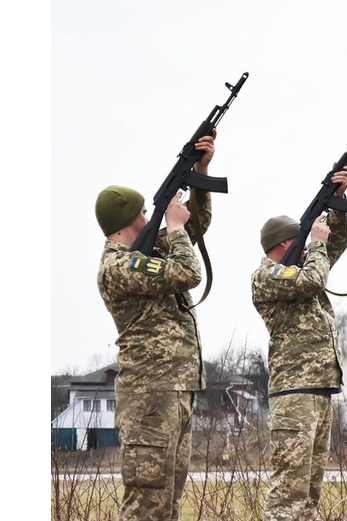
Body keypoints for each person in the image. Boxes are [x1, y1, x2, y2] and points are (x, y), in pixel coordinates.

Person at [94, 134, 216, 521]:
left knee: (167, 505)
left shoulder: (141, 255)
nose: (150, 219)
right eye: (145, 213)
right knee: (146, 507)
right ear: (129, 220)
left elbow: (197, 226)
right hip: (150, 397)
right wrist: (176, 229)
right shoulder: (120, 267)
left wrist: (200, 172)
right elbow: (187, 270)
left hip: (174, 390)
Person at [251, 165, 347, 521]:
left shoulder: (301, 268)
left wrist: (337, 201)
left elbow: (332, 247)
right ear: (285, 244)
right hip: (294, 394)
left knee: (308, 494)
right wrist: (318, 244)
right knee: (287, 494)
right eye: (303, 240)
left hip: (318, 390)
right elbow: (313, 277)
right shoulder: (267, 276)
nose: (311, 245)